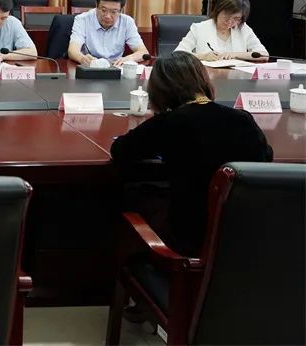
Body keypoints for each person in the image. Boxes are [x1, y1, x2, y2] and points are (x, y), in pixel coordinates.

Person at [110, 52, 273, 256]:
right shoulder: (243, 119)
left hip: (189, 241)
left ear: (159, 90)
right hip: (246, 242)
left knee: (134, 196)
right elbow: (266, 156)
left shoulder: (169, 123)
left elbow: (120, 150)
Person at [68, 0, 149, 67]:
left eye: (113, 12)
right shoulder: (82, 19)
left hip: (115, 67)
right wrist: (82, 58)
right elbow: (72, 50)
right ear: (96, 6)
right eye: (103, 10)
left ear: (120, 10)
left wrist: (127, 59)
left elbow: (143, 52)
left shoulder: (127, 22)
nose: (107, 16)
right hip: (90, 67)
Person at [175, 0, 268, 61]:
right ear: (218, 10)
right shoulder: (199, 28)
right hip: (206, 76)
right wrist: (203, 56)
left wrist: (234, 54)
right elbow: (178, 54)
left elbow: (264, 55)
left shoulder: (243, 29)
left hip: (236, 77)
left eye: (236, 18)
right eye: (226, 16)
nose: (229, 22)